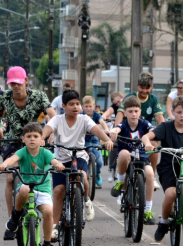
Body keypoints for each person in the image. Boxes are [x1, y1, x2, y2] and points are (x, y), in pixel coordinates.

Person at [0, 66, 56, 229]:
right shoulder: (4, 96)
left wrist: (52, 133)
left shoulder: (39, 96)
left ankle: (41, 205)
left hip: (35, 140)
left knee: (38, 174)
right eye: (12, 83)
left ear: (26, 81)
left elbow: (53, 115)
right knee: (10, 177)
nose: (16, 87)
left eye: (19, 83)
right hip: (11, 141)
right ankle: (12, 218)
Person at [43, 90, 114, 233]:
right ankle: (54, 226)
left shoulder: (84, 119)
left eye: (77, 104)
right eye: (71, 104)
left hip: (79, 156)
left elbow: (97, 130)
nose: (75, 107)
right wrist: (41, 139)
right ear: (63, 106)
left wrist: (107, 140)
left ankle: (86, 201)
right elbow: (46, 130)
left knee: (81, 176)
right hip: (61, 159)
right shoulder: (57, 120)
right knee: (58, 191)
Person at [0, 122, 65, 246]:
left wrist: (58, 165)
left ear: (41, 139)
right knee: (24, 189)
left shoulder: (45, 153)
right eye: (28, 136)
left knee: (48, 213)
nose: (32, 139)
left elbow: (53, 160)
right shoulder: (22, 152)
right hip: (26, 187)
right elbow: (12, 159)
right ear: (23, 139)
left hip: (43, 189)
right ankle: (15, 217)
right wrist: (4, 165)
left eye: (35, 136)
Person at [143, 95, 183, 241]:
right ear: (172, 112)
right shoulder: (166, 127)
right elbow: (146, 137)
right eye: (179, 112)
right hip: (168, 167)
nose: (182, 115)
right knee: (171, 195)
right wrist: (148, 143)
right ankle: (164, 221)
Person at [109, 95, 157, 225]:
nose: (133, 114)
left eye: (136, 111)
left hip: (142, 157)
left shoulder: (144, 124)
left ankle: (147, 210)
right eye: (130, 111)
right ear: (125, 113)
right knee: (124, 153)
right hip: (127, 158)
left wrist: (151, 140)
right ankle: (120, 182)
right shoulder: (123, 124)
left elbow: (153, 130)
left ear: (140, 112)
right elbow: (117, 128)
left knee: (150, 174)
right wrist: (114, 131)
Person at [115, 72, 165, 188]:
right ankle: (121, 184)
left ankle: (152, 176)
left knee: (154, 145)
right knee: (124, 154)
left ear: (151, 87)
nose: (144, 91)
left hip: (145, 133)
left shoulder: (153, 99)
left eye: (147, 88)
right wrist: (116, 129)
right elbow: (120, 113)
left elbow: (159, 118)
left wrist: (163, 132)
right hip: (129, 131)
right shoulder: (130, 97)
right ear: (138, 86)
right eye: (142, 88)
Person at [81, 95, 108, 189]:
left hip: (95, 141)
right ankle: (85, 177)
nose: (88, 108)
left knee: (99, 162)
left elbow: (102, 122)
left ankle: (97, 174)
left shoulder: (96, 115)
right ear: (82, 107)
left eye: (90, 106)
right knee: (83, 161)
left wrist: (106, 129)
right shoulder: (80, 115)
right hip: (83, 142)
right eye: (86, 106)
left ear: (94, 106)